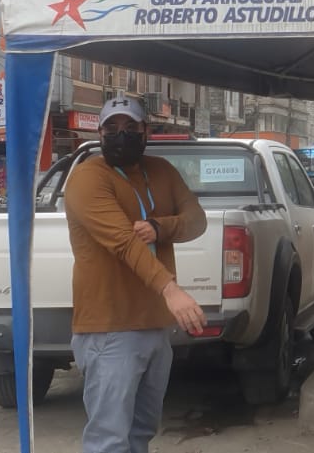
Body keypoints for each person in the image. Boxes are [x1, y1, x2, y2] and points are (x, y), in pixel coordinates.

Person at [64, 97, 207, 453]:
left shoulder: (161, 171)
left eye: (130, 127)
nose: (121, 135)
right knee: (109, 441)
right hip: (110, 328)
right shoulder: (87, 178)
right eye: (111, 128)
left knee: (141, 433)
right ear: (99, 133)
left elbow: (197, 219)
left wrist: (161, 227)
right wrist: (171, 290)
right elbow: (124, 242)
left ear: (146, 131)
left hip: (154, 326)